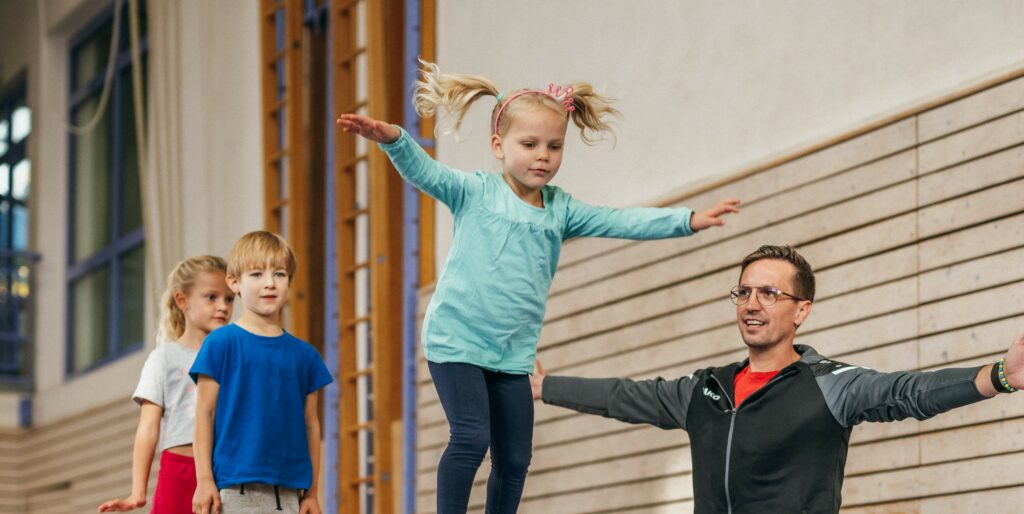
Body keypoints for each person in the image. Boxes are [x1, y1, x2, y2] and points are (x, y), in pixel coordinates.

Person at [337, 60, 741, 514]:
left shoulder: (560, 210)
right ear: (498, 145)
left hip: (511, 353)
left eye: (554, 146)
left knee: (515, 458)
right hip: (456, 339)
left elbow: (620, 219)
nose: (542, 156)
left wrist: (686, 220)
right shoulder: (476, 192)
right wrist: (393, 139)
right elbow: (427, 173)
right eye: (529, 144)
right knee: (471, 437)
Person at [532, 244, 1024, 513]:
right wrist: (543, 386)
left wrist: (999, 375)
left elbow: (907, 393)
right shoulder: (706, 389)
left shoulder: (833, 383)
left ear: (801, 310)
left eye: (769, 293)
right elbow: (624, 396)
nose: (751, 304)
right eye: (743, 292)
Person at [190, 231, 333, 514]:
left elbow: (311, 425)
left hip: (291, 494)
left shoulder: (305, 356)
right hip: (234, 490)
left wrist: (312, 493)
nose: (269, 284)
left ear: (290, 282)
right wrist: (204, 480)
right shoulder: (220, 344)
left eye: (279, 274)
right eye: (256, 274)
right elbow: (204, 414)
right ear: (235, 283)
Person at [98, 256, 235, 513]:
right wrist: (138, 492)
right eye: (212, 297)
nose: (223, 307)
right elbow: (148, 427)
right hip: (179, 469)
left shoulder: (233, 357)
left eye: (229, 299)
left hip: (224, 470)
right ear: (182, 301)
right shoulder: (164, 358)